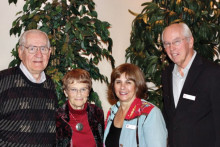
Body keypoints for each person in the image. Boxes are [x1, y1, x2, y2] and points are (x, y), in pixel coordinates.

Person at [162, 22, 220, 147]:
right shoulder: (166, 74)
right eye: (167, 44)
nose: (172, 48)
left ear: (190, 41)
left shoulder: (213, 73)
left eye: (176, 41)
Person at [0, 29, 57, 146]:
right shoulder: (3, 81)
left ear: (49, 52)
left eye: (43, 49)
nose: (39, 54)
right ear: (20, 52)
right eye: (32, 48)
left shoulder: (50, 85)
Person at [104, 63, 167, 147]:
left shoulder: (150, 113)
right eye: (118, 82)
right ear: (113, 86)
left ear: (137, 85)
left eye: (128, 82)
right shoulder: (112, 111)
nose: (122, 87)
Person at [56, 69, 104, 147]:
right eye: (73, 90)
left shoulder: (97, 113)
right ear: (66, 92)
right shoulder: (57, 117)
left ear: (88, 92)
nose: (79, 94)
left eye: (83, 89)